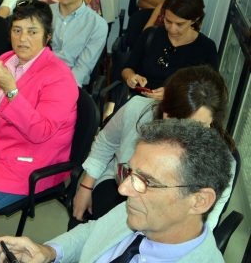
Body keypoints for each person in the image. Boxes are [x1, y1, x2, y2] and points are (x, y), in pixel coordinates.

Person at [0, 118, 232, 263]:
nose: (124, 189)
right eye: (129, 172)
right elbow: (94, 232)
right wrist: (49, 252)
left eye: (146, 181)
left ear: (200, 201)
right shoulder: (143, 213)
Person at [0, 0, 78, 259]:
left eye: (32, 31)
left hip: (25, 162)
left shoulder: (59, 76)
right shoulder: (5, 60)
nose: (22, 38)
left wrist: (11, 91)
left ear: (47, 37)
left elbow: (41, 131)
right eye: (17, 30)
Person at [72, 65, 235, 229]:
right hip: (117, 188)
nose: (183, 132)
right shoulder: (137, 110)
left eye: (196, 126)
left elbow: (204, 224)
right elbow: (106, 142)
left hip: (167, 218)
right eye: (176, 119)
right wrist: (86, 187)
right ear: (165, 106)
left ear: (212, 122)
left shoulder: (220, 162)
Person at [122, 0, 217, 100]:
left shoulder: (206, 48)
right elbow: (127, 68)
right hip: (140, 100)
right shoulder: (150, 35)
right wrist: (131, 77)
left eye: (179, 24)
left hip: (178, 107)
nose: (172, 29)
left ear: (195, 20)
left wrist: (174, 94)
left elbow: (209, 90)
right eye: (168, 21)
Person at [49, 0, 108, 87]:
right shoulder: (44, 13)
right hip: (37, 77)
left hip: (69, 85)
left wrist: (60, 89)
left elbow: (82, 69)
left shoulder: (97, 25)